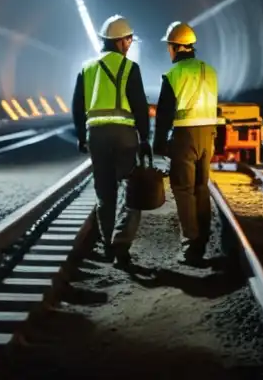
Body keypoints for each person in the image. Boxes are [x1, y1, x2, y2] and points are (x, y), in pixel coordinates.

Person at [72, 15, 152, 267]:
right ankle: (121, 245)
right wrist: (145, 138)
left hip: (96, 135)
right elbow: (140, 107)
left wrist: (80, 135)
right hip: (124, 136)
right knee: (132, 191)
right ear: (120, 41)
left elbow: (77, 106)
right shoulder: (130, 68)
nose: (129, 44)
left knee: (104, 194)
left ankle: (108, 245)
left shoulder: (87, 68)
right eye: (128, 39)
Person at [154, 21, 219, 266]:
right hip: (208, 135)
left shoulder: (174, 74)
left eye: (168, 46)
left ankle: (190, 246)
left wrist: (158, 143)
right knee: (201, 188)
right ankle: (202, 240)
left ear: (175, 47)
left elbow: (164, 113)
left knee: (183, 189)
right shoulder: (210, 70)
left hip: (185, 135)